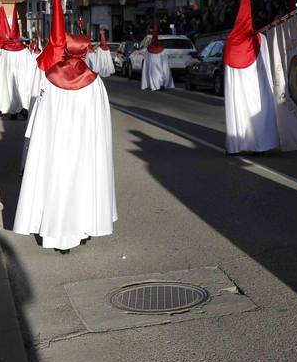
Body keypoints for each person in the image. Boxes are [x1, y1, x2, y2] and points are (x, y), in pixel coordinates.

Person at [12, 34, 116, 252]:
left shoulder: (48, 79)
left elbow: (39, 116)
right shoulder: (95, 82)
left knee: (55, 182)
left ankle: (54, 232)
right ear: (85, 51)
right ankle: (82, 228)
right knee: (83, 184)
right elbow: (101, 123)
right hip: (84, 145)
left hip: (55, 144)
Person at [222, 0, 280, 154]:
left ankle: (238, 143)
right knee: (257, 109)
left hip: (240, 88)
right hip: (256, 87)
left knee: (239, 106)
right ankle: (261, 144)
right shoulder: (260, 39)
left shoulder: (231, 42)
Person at [140, 25, 175, 91]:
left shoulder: (149, 49)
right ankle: (160, 84)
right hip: (159, 65)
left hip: (154, 65)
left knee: (154, 74)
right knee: (159, 73)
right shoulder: (160, 50)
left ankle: (157, 85)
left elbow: (146, 61)